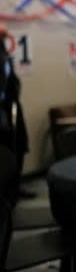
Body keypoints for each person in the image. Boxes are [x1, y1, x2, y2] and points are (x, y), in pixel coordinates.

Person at [0, 24, 29, 197]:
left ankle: (14, 188)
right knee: (6, 148)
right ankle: (7, 191)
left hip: (12, 105)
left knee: (19, 144)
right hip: (2, 109)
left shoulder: (3, 53)